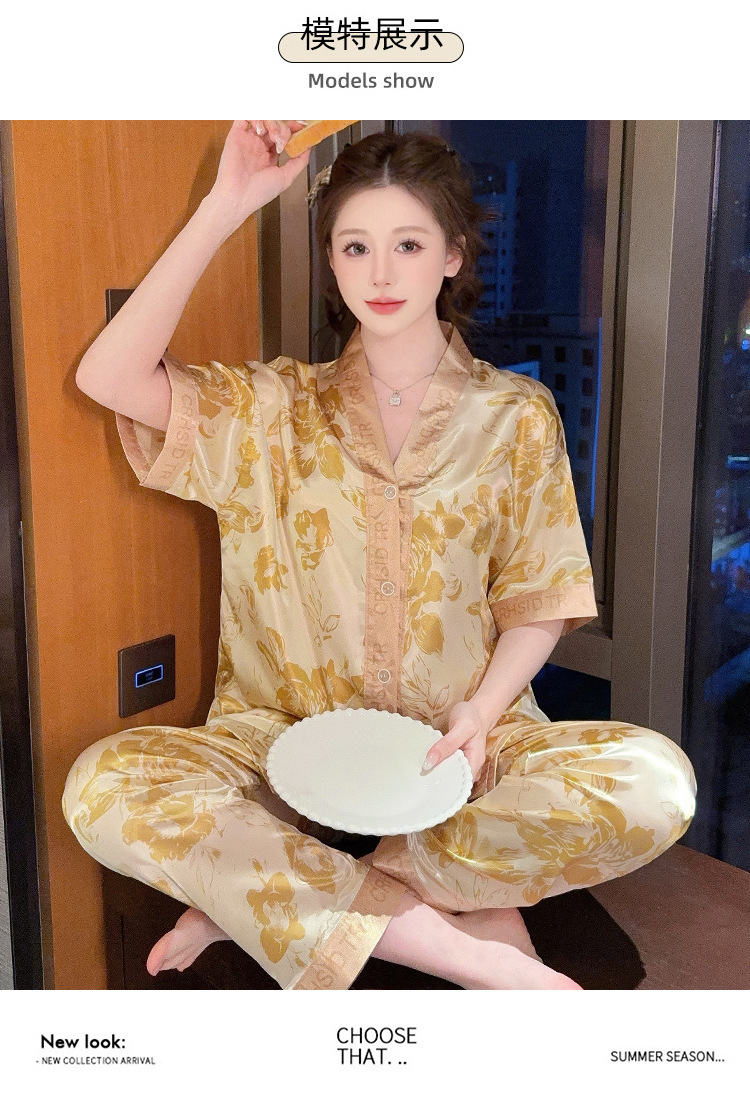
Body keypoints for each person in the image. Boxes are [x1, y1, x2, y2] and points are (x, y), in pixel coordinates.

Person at [63, 120, 697, 991]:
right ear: (331, 262)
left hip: (462, 752)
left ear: (452, 255)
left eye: (408, 244)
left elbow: (539, 599)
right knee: (103, 785)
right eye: (355, 247)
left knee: (655, 783)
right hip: (279, 747)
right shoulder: (270, 410)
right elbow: (107, 377)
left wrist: (480, 714)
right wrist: (225, 205)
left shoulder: (515, 416)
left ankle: (268, 892)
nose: (382, 274)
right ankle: (465, 946)